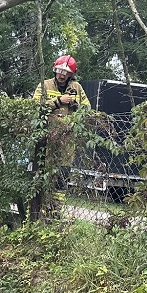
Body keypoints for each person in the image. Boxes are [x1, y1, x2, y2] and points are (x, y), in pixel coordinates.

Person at [29, 55, 90, 219]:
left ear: (71, 74)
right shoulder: (45, 85)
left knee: (62, 176)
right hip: (46, 140)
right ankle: (39, 210)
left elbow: (87, 109)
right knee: (43, 173)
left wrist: (74, 105)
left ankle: (55, 211)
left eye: (65, 72)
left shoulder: (77, 87)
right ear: (55, 70)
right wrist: (58, 101)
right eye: (59, 71)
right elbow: (35, 107)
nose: (61, 74)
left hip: (67, 141)